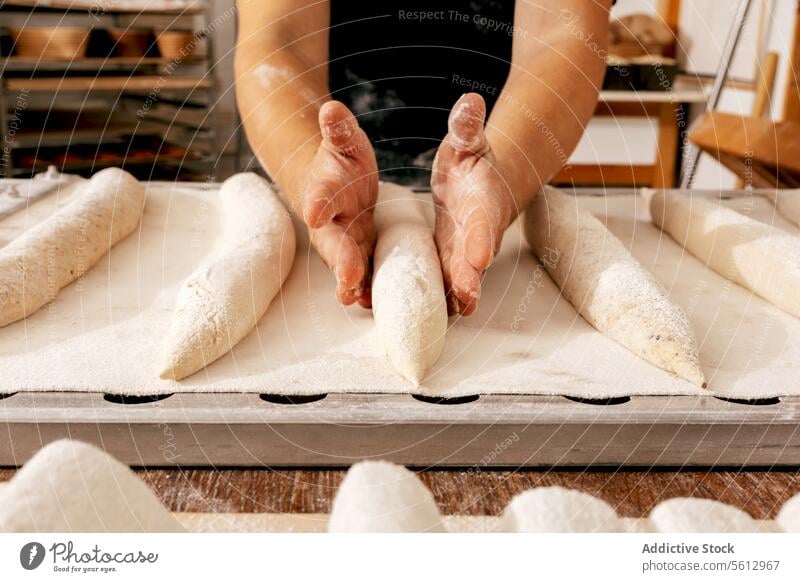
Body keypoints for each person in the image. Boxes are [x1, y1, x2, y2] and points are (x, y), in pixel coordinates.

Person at [235, 1, 612, 315]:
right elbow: (279, 38)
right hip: (322, 171)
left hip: (508, 162)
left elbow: (560, 33)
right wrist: (309, 171)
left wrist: (504, 173)